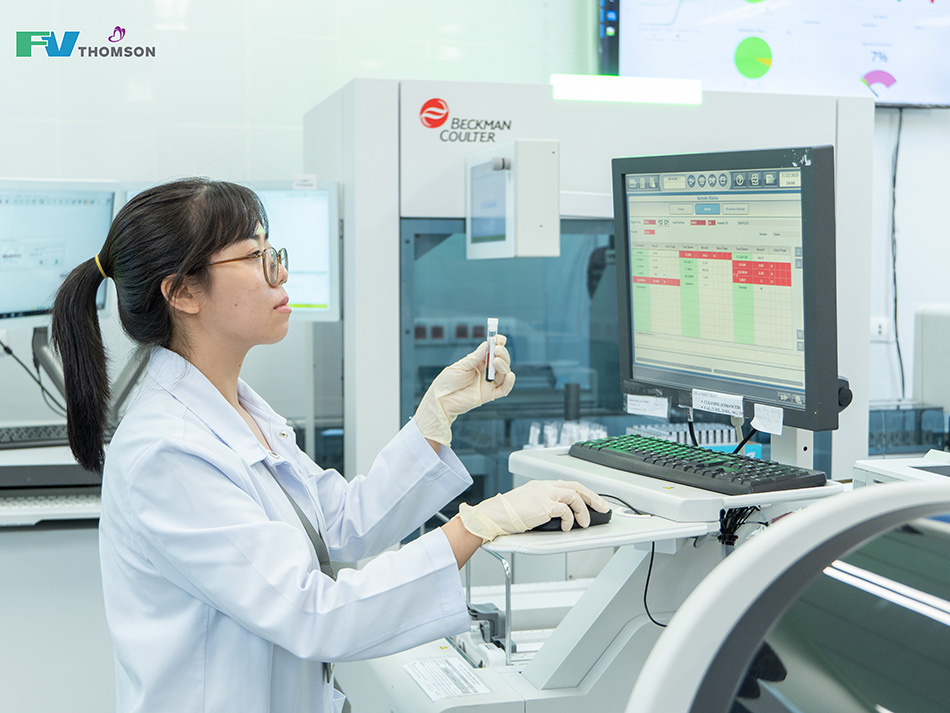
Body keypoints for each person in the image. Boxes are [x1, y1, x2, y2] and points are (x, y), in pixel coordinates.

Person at [50, 177, 610, 713]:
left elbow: (338, 523)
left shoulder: (237, 409)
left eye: (273, 252)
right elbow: (313, 614)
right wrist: (479, 525)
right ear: (183, 292)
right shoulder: (168, 450)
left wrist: (434, 420)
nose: (279, 274)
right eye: (254, 257)